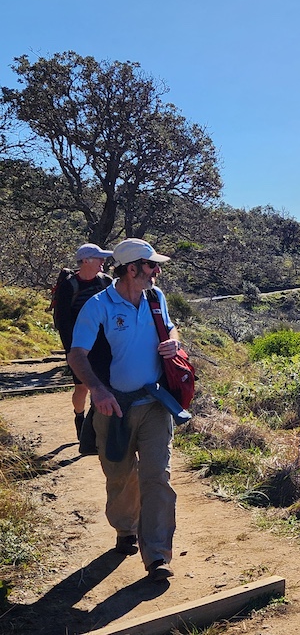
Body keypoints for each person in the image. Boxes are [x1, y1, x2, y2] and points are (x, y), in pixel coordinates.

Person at [68, 238, 181, 581]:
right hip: (112, 406)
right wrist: (99, 391)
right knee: (119, 474)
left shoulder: (155, 297)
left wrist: (174, 339)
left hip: (154, 403)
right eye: (151, 266)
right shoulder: (98, 306)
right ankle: (125, 528)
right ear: (132, 269)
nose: (157, 272)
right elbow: (77, 355)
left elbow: (170, 326)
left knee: (156, 477)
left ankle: (158, 555)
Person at [52, 243, 114, 441]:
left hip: (103, 345)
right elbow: (64, 321)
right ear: (86, 261)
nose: (103, 262)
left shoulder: (106, 282)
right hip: (79, 346)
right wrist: (72, 352)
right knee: (82, 387)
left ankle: (98, 428)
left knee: (104, 384)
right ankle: (79, 417)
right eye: (99, 258)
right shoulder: (69, 286)